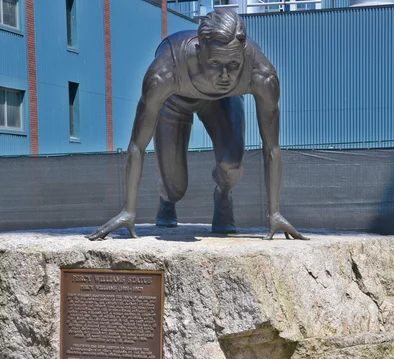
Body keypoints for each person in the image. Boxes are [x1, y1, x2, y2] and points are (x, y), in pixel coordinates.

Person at [88, 9, 306, 241]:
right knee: (176, 188)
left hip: (223, 101)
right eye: (215, 63)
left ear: (243, 53)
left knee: (231, 165)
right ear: (199, 52)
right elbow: (137, 145)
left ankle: (223, 196)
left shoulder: (261, 75)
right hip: (174, 100)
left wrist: (274, 214)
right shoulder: (164, 72)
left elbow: (272, 147)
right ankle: (167, 198)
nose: (225, 75)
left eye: (233, 64)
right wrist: (128, 211)